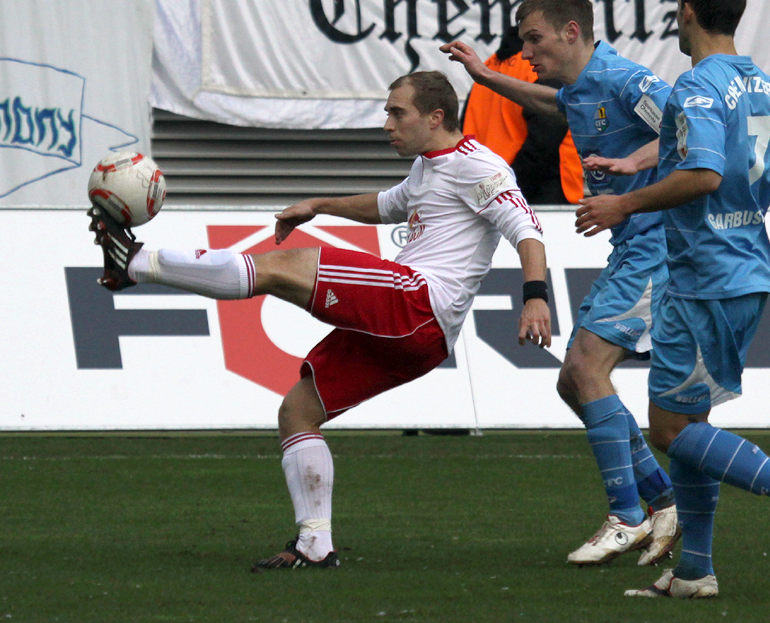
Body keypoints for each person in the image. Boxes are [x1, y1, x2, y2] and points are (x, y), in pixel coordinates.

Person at [88, 71, 553, 570]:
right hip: (422, 338)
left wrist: (535, 296)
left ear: (436, 117)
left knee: (280, 267)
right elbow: (387, 205)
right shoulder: (427, 168)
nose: (386, 124)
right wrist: (319, 205)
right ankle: (314, 544)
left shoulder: (480, 166)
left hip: (419, 303)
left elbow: (527, 227)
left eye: (398, 113)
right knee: (297, 413)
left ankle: (135, 262)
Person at [574, 0, 770, 599]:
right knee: (688, 428)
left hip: (702, 279)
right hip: (744, 272)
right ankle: (695, 571)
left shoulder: (696, 88)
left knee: (669, 432)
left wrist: (622, 204)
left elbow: (703, 175)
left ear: (688, 11)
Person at [442, 0, 680, 567]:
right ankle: (664, 502)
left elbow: (689, 131)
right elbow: (549, 103)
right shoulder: (580, 87)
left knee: (583, 369)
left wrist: (629, 169)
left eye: (534, 39)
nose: (527, 52)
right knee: (572, 382)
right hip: (632, 247)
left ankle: (628, 514)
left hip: (663, 246)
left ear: (572, 32)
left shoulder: (627, 80)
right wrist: (484, 75)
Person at [462, 29, 583, 205]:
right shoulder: (540, 69)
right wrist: (511, 187)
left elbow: (463, 126)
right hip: (540, 191)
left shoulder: (487, 69)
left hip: (486, 188)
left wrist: (494, 189)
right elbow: (544, 142)